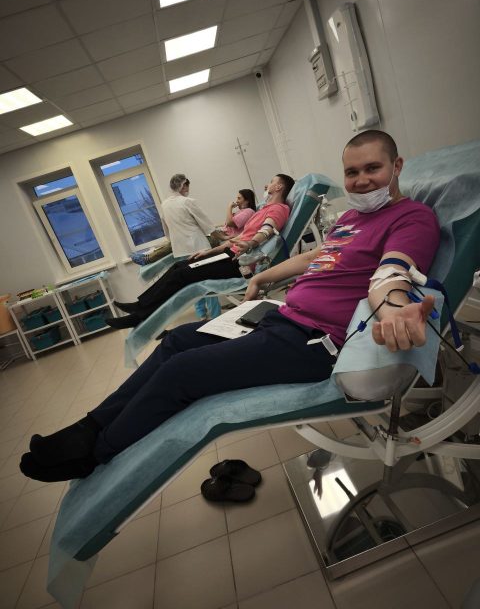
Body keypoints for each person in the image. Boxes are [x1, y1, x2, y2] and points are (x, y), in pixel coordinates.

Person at [21, 131, 440, 482]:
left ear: (396, 166)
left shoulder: (412, 218)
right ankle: (88, 426)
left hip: (316, 342)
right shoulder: (350, 220)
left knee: (183, 372)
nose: (361, 180)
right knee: (177, 341)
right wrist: (261, 278)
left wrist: (393, 309)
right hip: (284, 319)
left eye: (372, 169)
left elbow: (391, 274)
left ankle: (95, 453)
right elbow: (318, 257)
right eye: (352, 172)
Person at [105, 174, 295, 329]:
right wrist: (209, 252)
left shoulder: (279, 208)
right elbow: (236, 239)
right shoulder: (262, 209)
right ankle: (139, 306)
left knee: (181, 275)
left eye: (271, 181)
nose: (267, 184)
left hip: (239, 262)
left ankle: (140, 317)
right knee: (178, 267)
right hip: (229, 254)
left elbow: (267, 230)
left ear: (279, 187)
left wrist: (252, 243)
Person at [158, 173, 221, 320]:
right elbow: (206, 224)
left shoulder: (164, 204)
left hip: (180, 250)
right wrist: (223, 237)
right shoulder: (188, 202)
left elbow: (166, 229)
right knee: (208, 282)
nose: (188, 189)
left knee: (191, 283)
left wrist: (175, 241)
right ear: (183, 185)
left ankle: (201, 315)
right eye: (187, 185)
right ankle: (215, 316)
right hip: (198, 247)